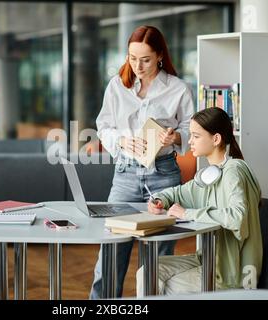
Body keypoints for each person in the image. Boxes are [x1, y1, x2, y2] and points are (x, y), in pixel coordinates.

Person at [91, 25, 195, 299]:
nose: (137, 65)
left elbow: (189, 130)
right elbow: (103, 126)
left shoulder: (178, 89)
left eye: (145, 59)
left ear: (160, 55)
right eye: (132, 57)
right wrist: (123, 140)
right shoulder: (117, 85)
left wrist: (175, 137)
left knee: (158, 258)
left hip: (164, 175)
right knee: (111, 252)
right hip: (125, 174)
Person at [137, 107, 263, 295]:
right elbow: (177, 193)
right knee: (146, 272)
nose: (189, 141)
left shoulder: (233, 171)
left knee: (163, 284)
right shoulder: (208, 175)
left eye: (196, 136)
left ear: (216, 139)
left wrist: (187, 213)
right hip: (207, 259)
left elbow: (237, 217)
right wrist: (160, 200)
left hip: (231, 274)